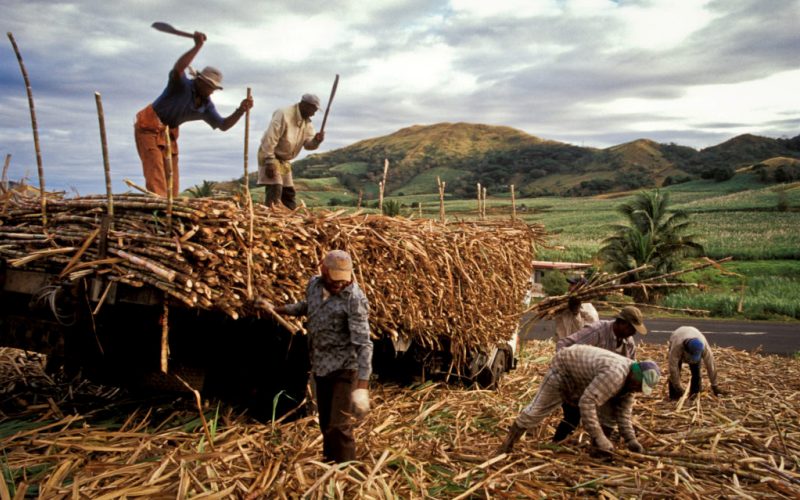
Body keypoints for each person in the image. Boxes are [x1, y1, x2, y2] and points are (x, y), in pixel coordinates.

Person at [274, 250, 373, 463]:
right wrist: (280, 309)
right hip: (320, 365)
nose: (339, 284)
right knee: (326, 424)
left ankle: (347, 473)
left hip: (345, 368)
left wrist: (362, 386)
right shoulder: (314, 285)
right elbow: (307, 307)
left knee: (340, 426)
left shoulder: (354, 299)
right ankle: (330, 466)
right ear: (323, 270)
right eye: (334, 279)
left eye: (343, 279)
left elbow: (363, 344)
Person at [134, 31, 253, 197]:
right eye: (209, 86)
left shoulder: (206, 106)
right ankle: (160, 207)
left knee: (172, 177)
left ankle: (171, 205)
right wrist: (197, 46)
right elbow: (178, 68)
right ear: (199, 81)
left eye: (213, 88)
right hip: (149, 125)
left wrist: (240, 110)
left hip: (169, 133)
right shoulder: (181, 85)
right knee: (156, 170)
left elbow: (223, 125)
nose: (211, 90)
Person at [496, 345, 660, 455]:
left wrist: (631, 440)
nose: (638, 391)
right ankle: (507, 445)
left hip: (582, 377)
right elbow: (587, 403)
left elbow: (623, 414)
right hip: (563, 369)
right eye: (639, 386)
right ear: (635, 377)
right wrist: (599, 436)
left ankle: (598, 451)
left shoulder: (630, 385)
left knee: (609, 417)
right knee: (537, 411)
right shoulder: (615, 375)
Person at [552, 305, 646, 442]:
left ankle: (599, 446)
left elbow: (630, 369)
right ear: (621, 323)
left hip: (604, 383)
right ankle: (557, 444)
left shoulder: (629, 343)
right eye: (631, 328)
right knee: (573, 415)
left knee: (608, 418)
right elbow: (564, 345)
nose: (633, 333)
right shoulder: (597, 331)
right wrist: (567, 375)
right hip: (578, 378)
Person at [257, 94, 325, 209]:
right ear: (304, 105)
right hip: (270, 154)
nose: (314, 113)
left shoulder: (307, 122)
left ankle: (290, 216)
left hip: (284, 160)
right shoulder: (283, 114)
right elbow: (270, 137)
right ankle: (271, 215)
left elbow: (308, 145)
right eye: (313, 109)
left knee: (288, 191)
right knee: (276, 187)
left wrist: (316, 141)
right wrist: (269, 161)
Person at [667, 326, 725, 400]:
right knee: (676, 370)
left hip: (693, 334)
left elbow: (711, 365)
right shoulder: (677, 346)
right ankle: (675, 395)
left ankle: (694, 394)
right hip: (678, 334)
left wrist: (714, 385)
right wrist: (677, 387)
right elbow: (673, 367)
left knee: (696, 372)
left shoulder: (703, 346)